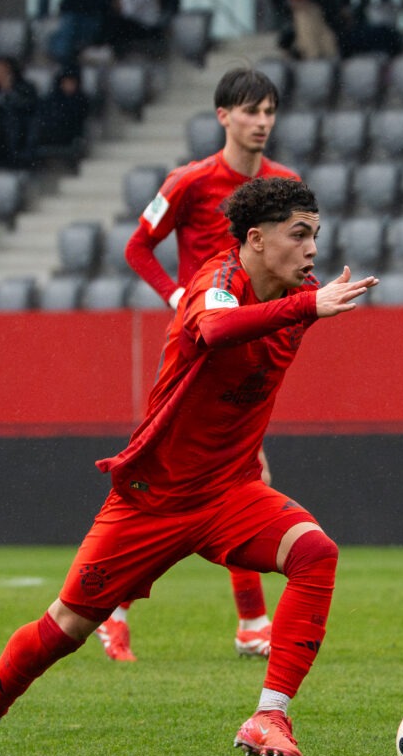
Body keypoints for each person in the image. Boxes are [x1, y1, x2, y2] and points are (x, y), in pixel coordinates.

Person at [0, 176, 378, 756]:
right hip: (153, 500)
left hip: (227, 492)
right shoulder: (219, 282)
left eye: (316, 236)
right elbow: (218, 331)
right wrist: (310, 305)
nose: (311, 250)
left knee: (315, 553)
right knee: (67, 625)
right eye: (298, 235)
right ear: (255, 239)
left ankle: (270, 716)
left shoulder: (301, 293)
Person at [105, 67, 300, 663]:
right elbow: (138, 246)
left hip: (249, 345)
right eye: (250, 111)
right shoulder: (189, 181)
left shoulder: (284, 184)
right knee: (171, 478)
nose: (262, 122)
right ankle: (117, 608)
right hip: (196, 347)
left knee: (242, 476)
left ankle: (247, 622)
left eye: (269, 111)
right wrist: (176, 297)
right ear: (224, 117)